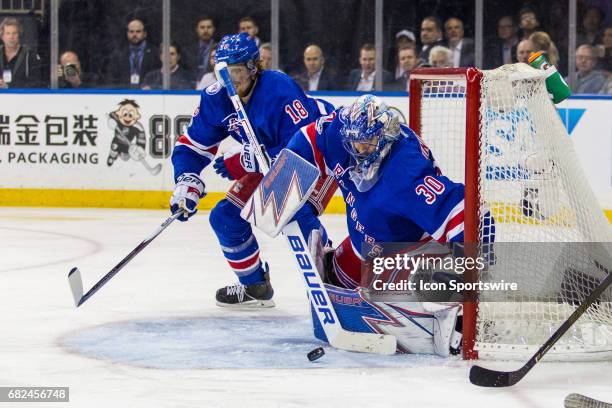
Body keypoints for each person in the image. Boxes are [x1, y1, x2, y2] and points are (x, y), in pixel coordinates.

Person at [169, 32, 336, 308]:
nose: (230, 80)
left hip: (320, 154)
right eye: (223, 72)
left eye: (236, 71)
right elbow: (193, 145)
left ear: (253, 67)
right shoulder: (215, 98)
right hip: (271, 161)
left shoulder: (279, 90)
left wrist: (246, 161)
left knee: (292, 212)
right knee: (225, 217)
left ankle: (334, 284)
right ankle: (254, 287)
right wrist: (187, 179)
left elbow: (302, 149)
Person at [283, 94, 494, 293]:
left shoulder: (405, 171)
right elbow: (311, 136)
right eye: (354, 143)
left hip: (404, 248)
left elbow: (469, 212)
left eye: (366, 142)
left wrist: (465, 272)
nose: (359, 151)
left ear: (385, 134)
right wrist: (283, 167)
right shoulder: (343, 131)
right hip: (364, 239)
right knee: (333, 280)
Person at [107, 18, 160, 88]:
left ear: (145, 34)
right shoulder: (118, 54)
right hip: (124, 94)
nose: (134, 34)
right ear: (127, 34)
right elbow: (112, 78)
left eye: (138, 31)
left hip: (148, 95)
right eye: (131, 32)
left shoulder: (155, 53)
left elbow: (160, 77)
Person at [0, 17, 41, 88]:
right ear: (2, 36)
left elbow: (36, 83)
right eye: (8, 33)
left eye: (14, 33)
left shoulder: (29, 55)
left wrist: (9, 87)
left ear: (19, 35)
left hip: (22, 98)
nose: (11, 37)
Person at [185, 16, 216, 85]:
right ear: (197, 29)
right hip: (189, 87)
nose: (205, 30)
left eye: (209, 27)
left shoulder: (219, 48)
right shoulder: (188, 49)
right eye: (202, 27)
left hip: (212, 84)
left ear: (213, 29)